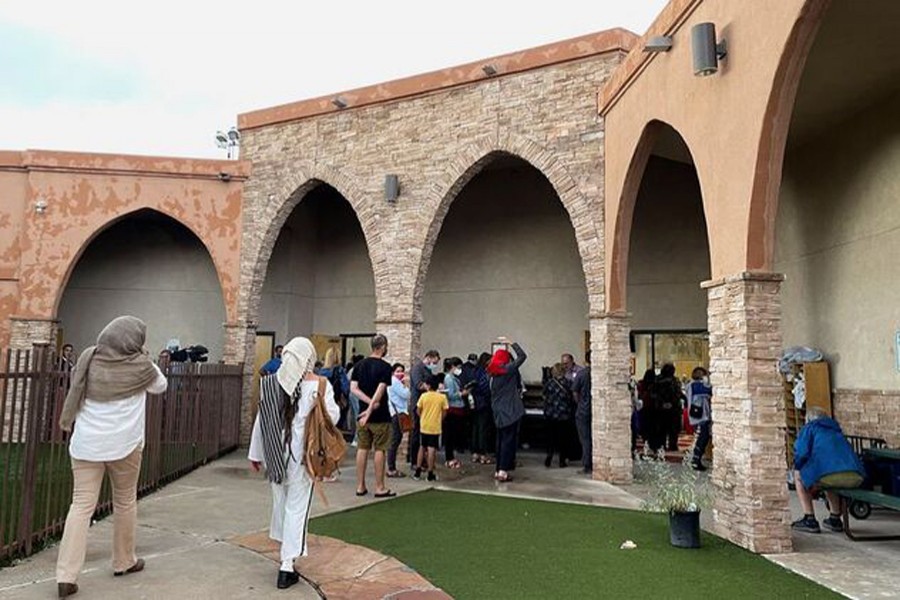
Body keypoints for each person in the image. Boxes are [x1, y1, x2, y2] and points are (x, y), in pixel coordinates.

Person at [55, 316, 168, 599]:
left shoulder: (87, 359)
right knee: (125, 501)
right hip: (125, 446)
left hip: (85, 446)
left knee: (80, 506)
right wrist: (144, 356)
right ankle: (123, 560)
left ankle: (66, 575)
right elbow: (161, 385)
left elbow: (75, 385)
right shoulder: (143, 367)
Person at [248, 337, 340, 589]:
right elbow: (333, 416)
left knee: (281, 505)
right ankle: (287, 564)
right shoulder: (320, 385)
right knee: (297, 508)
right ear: (309, 358)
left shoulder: (271, 384)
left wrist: (255, 454)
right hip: (304, 457)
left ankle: (284, 552)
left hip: (276, 455)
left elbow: (262, 421)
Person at [791, 408, 865, 534]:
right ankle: (835, 518)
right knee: (827, 478)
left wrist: (798, 466)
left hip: (831, 476)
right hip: (856, 476)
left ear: (808, 419)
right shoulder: (836, 430)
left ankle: (809, 519)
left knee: (798, 474)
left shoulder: (809, 429)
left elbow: (801, 453)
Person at [351, 334, 396, 498]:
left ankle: (360, 485)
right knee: (380, 450)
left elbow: (353, 388)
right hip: (380, 415)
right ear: (383, 346)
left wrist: (366, 405)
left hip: (362, 415)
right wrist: (372, 406)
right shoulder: (385, 367)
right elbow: (380, 390)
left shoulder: (359, 365)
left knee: (362, 448)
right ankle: (379, 486)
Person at [488, 338, 527, 483]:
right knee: (508, 442)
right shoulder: (507, 370)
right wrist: (512, 343)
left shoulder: (491, 373)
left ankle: (498, 469)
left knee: (500, 441)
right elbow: (522, 356)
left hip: (497, 412)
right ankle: (503, 471)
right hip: (510, 412)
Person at [408, 349, 441, 469]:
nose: (435, 365)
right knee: (417, 433)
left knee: (425, 435)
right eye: (435, 362)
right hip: (419, 404)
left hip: (428, 405)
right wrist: (431, 388)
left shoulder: (427, 370)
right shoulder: (418, 368)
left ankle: (424, 460)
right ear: (429, 357)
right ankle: (414, 461)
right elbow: (419, 384)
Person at [413, 374, 448, 481]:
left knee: (422, 447)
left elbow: (418, 410)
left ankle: (417, 471)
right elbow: (445, 412)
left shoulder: (424, 396)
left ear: (427, 385)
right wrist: (439, 419)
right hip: (435, 426)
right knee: (432, 449)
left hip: (424, 425)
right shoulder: (442, 397)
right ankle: (430, 472)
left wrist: (423, 417)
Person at [542, 363, 575, 468]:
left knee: (550, 437)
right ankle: (562, 460)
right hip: (564, 414)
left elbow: (544, 396)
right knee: (563, 438)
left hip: (551, 414)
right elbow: (572, 397)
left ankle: (549, 457)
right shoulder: (568, 383)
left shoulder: (549, 383)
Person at [442, 356, 468, 469]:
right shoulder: (448, 378)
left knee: (454, 435)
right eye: (458, 367)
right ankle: (449, 458)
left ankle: (452, 457)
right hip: (453, 409)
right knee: (450, 435)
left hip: (458, 409)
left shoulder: (454, 378)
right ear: (453, 367)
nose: (459, 369)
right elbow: (450, 394)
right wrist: (462, 394)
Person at [468, 352, 494, 464]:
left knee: (475, 428)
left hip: (474, 402)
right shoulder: (484, 373)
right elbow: (485, 388)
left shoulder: (474, 371)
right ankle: (482, 454)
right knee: (483, 428)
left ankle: (475, 453)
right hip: (483, 403)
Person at [686, 367, 713, 471]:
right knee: (702, 438)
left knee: (703, 437)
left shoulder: (692, 385)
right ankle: (696, 460)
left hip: (701, 415)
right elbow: (708, 391)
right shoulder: (695, 385)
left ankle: (697, 459)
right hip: (700, 416)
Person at [653, 363, 684, 453]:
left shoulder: (657, 379)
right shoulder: (674, 380)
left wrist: (662, 403)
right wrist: (670, 403)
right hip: (671, 407)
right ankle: (672, 445)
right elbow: (678, 393)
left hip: (662, 407)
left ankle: (663, 445)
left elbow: (654, 393)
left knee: (663, 428)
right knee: (672, 428)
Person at [386, 362, 410, 478]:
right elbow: (406, 394)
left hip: (396, 413)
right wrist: (405, 386)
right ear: (393, 372)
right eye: (398, 371)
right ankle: (391, 468)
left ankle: (391, 466)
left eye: (402, 371)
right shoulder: (395, 382)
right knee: (395, 440)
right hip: (397, 413)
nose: (400, 374)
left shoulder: (393, 382)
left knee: (395, 439)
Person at [571, 351, 592, 474]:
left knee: (585, 439)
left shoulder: (582, 374)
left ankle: (587, 465)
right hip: (596, 410)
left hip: (583, 410)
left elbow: (575, 391)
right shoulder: (599, 373)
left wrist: (579, 403)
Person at [637, 369, 660, 456]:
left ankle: (647, 444)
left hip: (645, 408)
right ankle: (654, 447)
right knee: (653, 429)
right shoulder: (655, 385)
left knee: (646, 428)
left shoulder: (641, 384)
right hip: (654, 409)